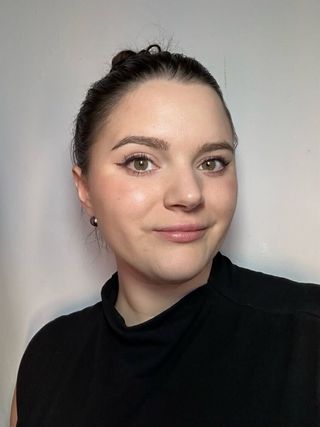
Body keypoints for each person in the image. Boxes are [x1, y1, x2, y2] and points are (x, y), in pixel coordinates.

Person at [10, 44, 320, 426]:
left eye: (212, 162)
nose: (189, 194)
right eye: (141, 162)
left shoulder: (307, 340)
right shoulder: (47, 358)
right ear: (85, 189)